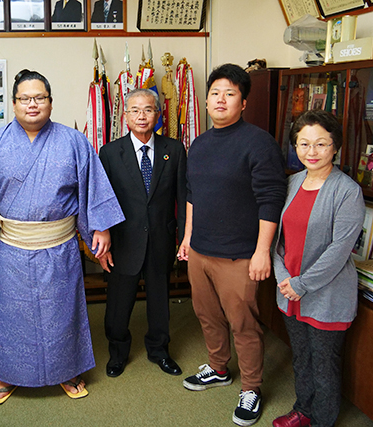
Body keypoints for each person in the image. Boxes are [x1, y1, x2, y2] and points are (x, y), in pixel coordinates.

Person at [0, 69, 124, 405]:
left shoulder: (74, 142)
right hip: (14, 247)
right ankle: (9, 374)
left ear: (50, 103)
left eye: (39, 98)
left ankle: (68, 370)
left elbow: (93, 189)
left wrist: (100, 227)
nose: (33, 104)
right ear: (13, 103)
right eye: (25, 98)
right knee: (14, 315)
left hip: (60, 246)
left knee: (63, 310)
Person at [177, 63, 287, 427]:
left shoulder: (258, 142)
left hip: (240, 255)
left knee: (244, 323)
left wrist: (261, 251)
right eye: (215, 93)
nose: (220, 99)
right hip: (201, 250)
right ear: (206, 101)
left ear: (243, 101)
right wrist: (188, 238)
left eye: (230, 93)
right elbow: (193, 194)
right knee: (207, 316)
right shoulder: (200, 143)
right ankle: (219, 367)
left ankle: (252, 387)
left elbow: (271, 199)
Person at [271, 110, 365, 427]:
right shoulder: (290, 182)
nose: (311, 152)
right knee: (302, 358)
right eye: (304, 144)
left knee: (324, 363)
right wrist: (285, 278)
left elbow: (340, 250)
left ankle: (323, 420)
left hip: (326, 295)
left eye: (321, 144)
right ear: (295, 146)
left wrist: (302, 284)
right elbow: (277, 241)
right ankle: (303, 410)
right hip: (290, 292)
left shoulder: (348, 191)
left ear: (335, 146)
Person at [98, 88, 186, 378]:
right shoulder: (110, 152)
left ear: (158, 114)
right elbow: (102, 199)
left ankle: (159, 350)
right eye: (134, 110)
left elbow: (182, 197)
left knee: (160, 300)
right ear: (125, 116)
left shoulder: (173, 149)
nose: (141, 116)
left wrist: (184, 237)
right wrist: (103, 242)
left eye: (148, 110)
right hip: (124, 241)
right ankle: (118, 352)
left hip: (162, 238)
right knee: (118, 304)